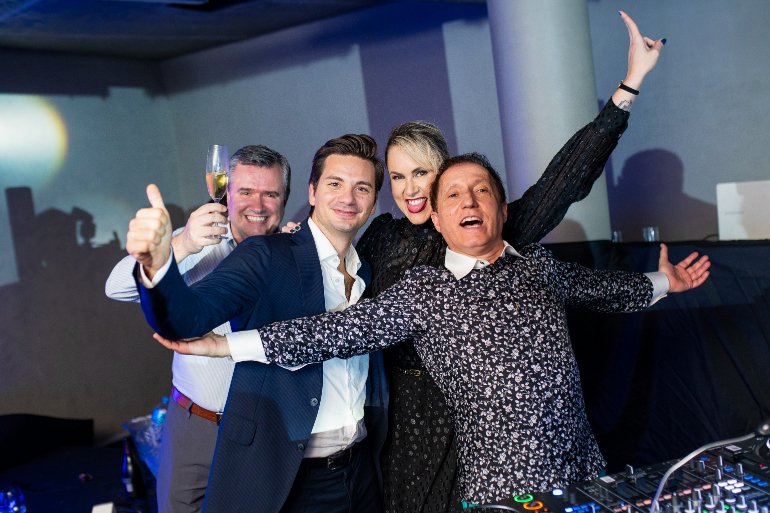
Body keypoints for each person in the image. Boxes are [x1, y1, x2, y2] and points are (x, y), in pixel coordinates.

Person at [157, 152, 711, 506]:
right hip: (503, 488)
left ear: (500, 209)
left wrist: (665, 282)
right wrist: (223, 344)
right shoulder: (426, 291)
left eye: (482, 191)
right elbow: (335, 332)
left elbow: (604, 290)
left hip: (583, 469)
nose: (470, 201)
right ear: (438, 220)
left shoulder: (539, 267)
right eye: (454, 195)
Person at [357, 9, 664, 513]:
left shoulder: (485, 227)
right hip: (405, 417)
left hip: (478, 421)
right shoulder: (381, 235)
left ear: (445, 176)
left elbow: (565, 180)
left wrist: (629, 85)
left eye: (422, 173)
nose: (409, 189)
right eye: (396, 176)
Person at [130, 134, 387, 513]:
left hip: (361, 470)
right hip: (292, 476)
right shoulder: (265, 254)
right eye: (335, 184)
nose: (348, 198)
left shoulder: (364, 269)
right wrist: (157, 264)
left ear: (373, 201)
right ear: (312, 192)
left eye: (361, 188)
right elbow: (187, 317)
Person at [105, 145, 291, 513]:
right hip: (198, 423)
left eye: (270, 193)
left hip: (268, 428)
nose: (258, 204)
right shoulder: (194, 241)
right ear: (226, 193)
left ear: (285, 199)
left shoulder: (292, 252)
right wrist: (183, 243)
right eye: (246, 191)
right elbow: (117, 287)